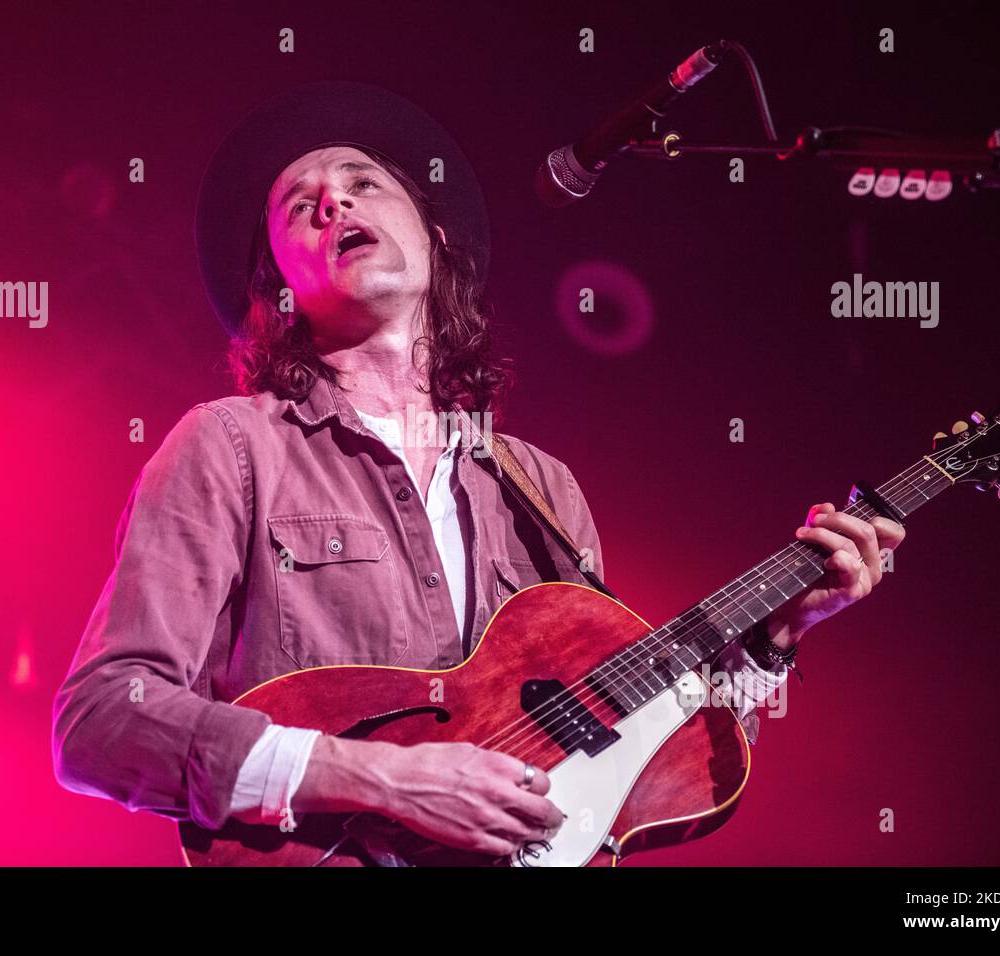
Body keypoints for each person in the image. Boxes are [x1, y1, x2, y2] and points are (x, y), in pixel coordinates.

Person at [51, 82, 905, 862]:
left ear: (436, 238)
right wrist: (385, 780)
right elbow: (100, 723)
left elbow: (619, 761)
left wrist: (776, 634)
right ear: (279, 288)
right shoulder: (231, 446)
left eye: (361, 181)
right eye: (299, 205)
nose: (333, 200)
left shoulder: (545, 491)